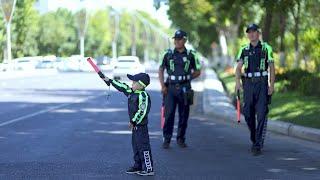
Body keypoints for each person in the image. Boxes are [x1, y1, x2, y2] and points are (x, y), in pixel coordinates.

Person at [101, 73, 154, 176]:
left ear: (141, 85)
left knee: (143, 146)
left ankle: (148, 168)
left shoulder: (143, 96)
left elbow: (142, 111)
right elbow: (122, 86)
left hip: (140, 126)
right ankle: (138, 165)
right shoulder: (131, 92)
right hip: (135, 127)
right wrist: (109, 80)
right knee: (136, 146)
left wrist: (134, 121)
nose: (132, 84)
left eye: (134, 82)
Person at [235, 24, 275, 156]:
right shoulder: (243, 49)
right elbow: (238, 67)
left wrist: (271, 85)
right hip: (248, 84)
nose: (251, 34)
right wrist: (237, 83)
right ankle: (254, 136)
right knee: (247, 113)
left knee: (262, 113)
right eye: (249, 32)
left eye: (254, 32)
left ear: (258, 33)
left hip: (262, 83)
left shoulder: (266, 48)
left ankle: (257, 144)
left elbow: (272, 67)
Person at [158, 30, 201, 149]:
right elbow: (161, 69)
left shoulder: (191, 54)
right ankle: (167, 139)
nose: (176, 41)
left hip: (185, 88)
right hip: (170, 88)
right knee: (169, 114)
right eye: (175, 39)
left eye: (179, 39)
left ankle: (181, 139)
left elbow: (198, 71)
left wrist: (187, 79)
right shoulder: (168, 54)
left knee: (184, 115)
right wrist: (162, 86)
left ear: (185, 40)